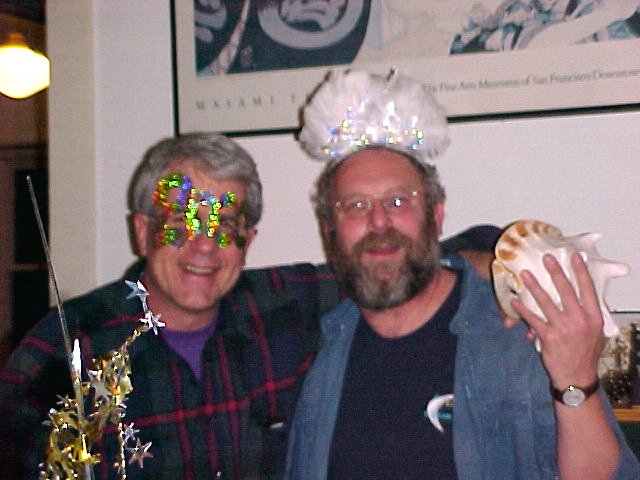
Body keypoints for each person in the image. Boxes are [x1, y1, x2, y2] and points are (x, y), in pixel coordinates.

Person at [0, 132, 493, 479]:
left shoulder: (281, 309)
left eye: (224, 228)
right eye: (181, 224)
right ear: (143, 231)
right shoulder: (64, 352)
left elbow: (385, 261)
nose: (203, 247)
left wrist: (505, 267)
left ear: (249, 240)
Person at [284, 70, 640, 479]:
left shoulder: (520, 333)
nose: (379, 222)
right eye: (356, 206)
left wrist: (576, 380)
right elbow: (218, 257)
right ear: (329, 229)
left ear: (436, 216)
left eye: (399, 202)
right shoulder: (311, 343)